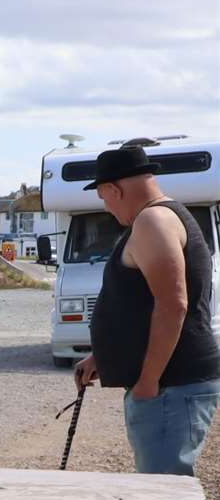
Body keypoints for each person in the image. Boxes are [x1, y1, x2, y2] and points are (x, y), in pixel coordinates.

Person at [74, 145, 220, 475]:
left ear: (114, 188)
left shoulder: (153, 220)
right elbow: (142, 305)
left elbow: (173, 305)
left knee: (163, 492)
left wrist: (148, 382)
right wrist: (105, 357)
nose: (107, 207)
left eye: (103, 197)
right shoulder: (163, 216)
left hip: (171, 384)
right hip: (172, 384)